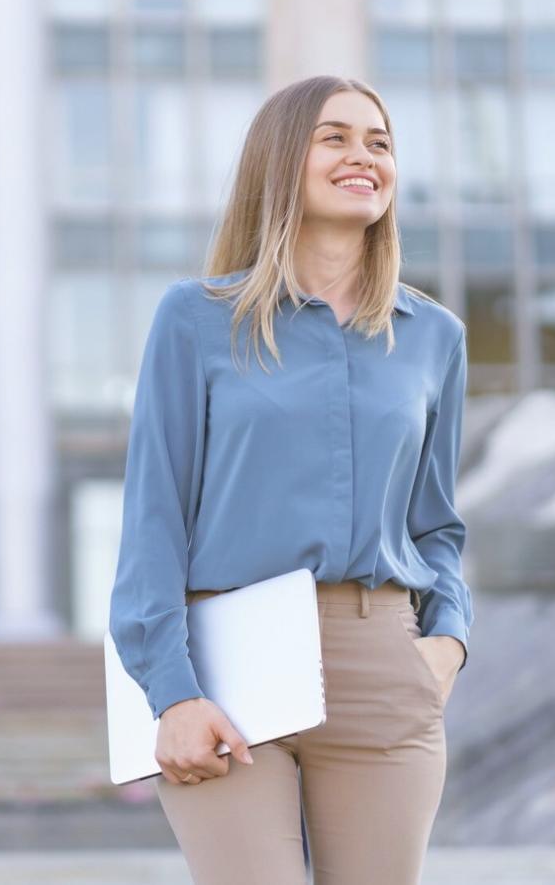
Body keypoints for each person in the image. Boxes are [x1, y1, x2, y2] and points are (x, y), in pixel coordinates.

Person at [107, 75, 472, 884]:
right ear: (280, 163)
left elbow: (437, 524)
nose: (363, 156)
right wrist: (171, 693)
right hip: (225, 668)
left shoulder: (433, 337)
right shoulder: (195, 320)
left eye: (379, 142)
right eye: (335, 137)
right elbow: (154, 520)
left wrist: (446, 643)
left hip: (383, 660)